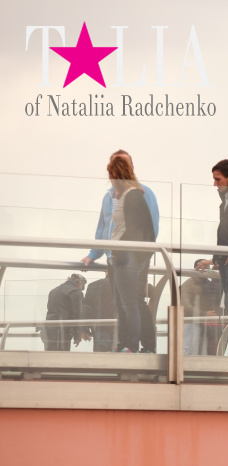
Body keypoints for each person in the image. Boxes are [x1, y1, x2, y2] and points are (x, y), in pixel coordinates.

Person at [81, 149, 160, 353]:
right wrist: (93, 255)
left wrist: (141, 255)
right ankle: (126, 344)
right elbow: (103, 228)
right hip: (115, 258)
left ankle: (145, 346)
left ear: (130, 167)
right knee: (121, 303)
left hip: (134, 257)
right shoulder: (108, 197)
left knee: (134, 301)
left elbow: (150, 226)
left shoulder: (143, 193)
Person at [106, 155, 155, 353]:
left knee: (130, 303)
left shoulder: (133, 195)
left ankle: (131, 345)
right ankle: (124, 343)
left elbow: (140, 229)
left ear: (116, 174)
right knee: (121, 302)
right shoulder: (122, 196)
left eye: (110, 174)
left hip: (127, 257)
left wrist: (124, 253)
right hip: (121, 255)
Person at [195, 159, 228, 355]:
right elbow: (224, 233)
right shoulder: (225, 200)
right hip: (226, 261)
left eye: (218, 179)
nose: (215, 184)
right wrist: (216, 260)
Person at [181, 259, 224, 355]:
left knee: (208, 351)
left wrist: (214, 272)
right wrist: (204, 314)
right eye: (201, 268)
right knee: (190, 351)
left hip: (207, 325)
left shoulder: (209, 284)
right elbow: (186, 307)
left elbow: (217, 297)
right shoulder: (187, 285)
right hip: (191, 324)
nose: (203, 271)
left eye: (206, 269)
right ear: (195, 269)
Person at [43, 273, 89, 351]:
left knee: (50, 354)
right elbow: (77, 315)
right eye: (83, 286)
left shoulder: (54, 290)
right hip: (63, 330)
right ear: (79, 283)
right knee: (62, 355)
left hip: (49, 328)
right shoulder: (75, 292)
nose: (82, 289)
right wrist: (77, 336)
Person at [83, 271, 115, 352]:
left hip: (101, 328)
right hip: (121, 329)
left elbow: (87, 309)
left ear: (106, 271)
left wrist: (85, 329)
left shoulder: (94, 285)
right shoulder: (127, 286)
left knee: (101, 358)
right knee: (120, 359)